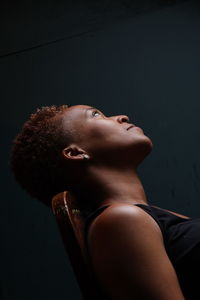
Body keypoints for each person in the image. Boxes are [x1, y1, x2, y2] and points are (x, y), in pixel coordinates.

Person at [10, 104, 200, 300]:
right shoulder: (121, 220)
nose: (122, 116)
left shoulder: (147, 217)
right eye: (95, 115)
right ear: (75, 153)